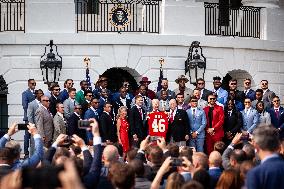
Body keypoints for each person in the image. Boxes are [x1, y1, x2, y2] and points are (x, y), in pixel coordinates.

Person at [22, 79, 36, 158]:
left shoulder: (36, 93)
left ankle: (33, 151)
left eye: (35, 83)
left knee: (34, 135)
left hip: (36, 118)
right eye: (32, 83)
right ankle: (26, 153)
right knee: (27, 135)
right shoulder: (25, 93)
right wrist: (29, 116)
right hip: (28, 118)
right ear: (28, 84)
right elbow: (25, 106)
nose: (34, 85)